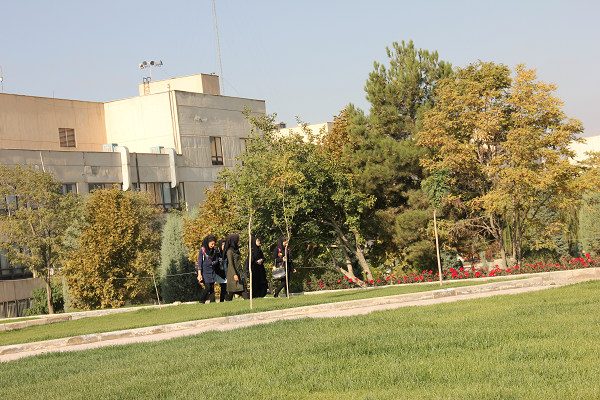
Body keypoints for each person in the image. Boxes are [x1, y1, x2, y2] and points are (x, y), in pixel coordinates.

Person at [224, 233, 248, 300]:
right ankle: (228, 300)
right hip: (233, 272)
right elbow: (230, 263)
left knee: (243, 285)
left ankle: (246, 299)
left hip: (239, 271)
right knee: (232, 289)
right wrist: (234, 274)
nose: (239, 241)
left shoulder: (237, 250)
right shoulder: (229, 251)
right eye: (238, 240)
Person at [197, 234, 218, 303]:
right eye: (212, 244)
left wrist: (212, 263)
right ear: (208, 242)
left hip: (212, 271)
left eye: (214, 244)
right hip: (205, 272)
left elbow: (216, 260)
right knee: (208, 287)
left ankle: (212, 301)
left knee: (212, 287)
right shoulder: (202, 250)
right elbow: (199, 262)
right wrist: (199, 274)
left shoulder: (214, 250)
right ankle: (202, 300)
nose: (213, 245)